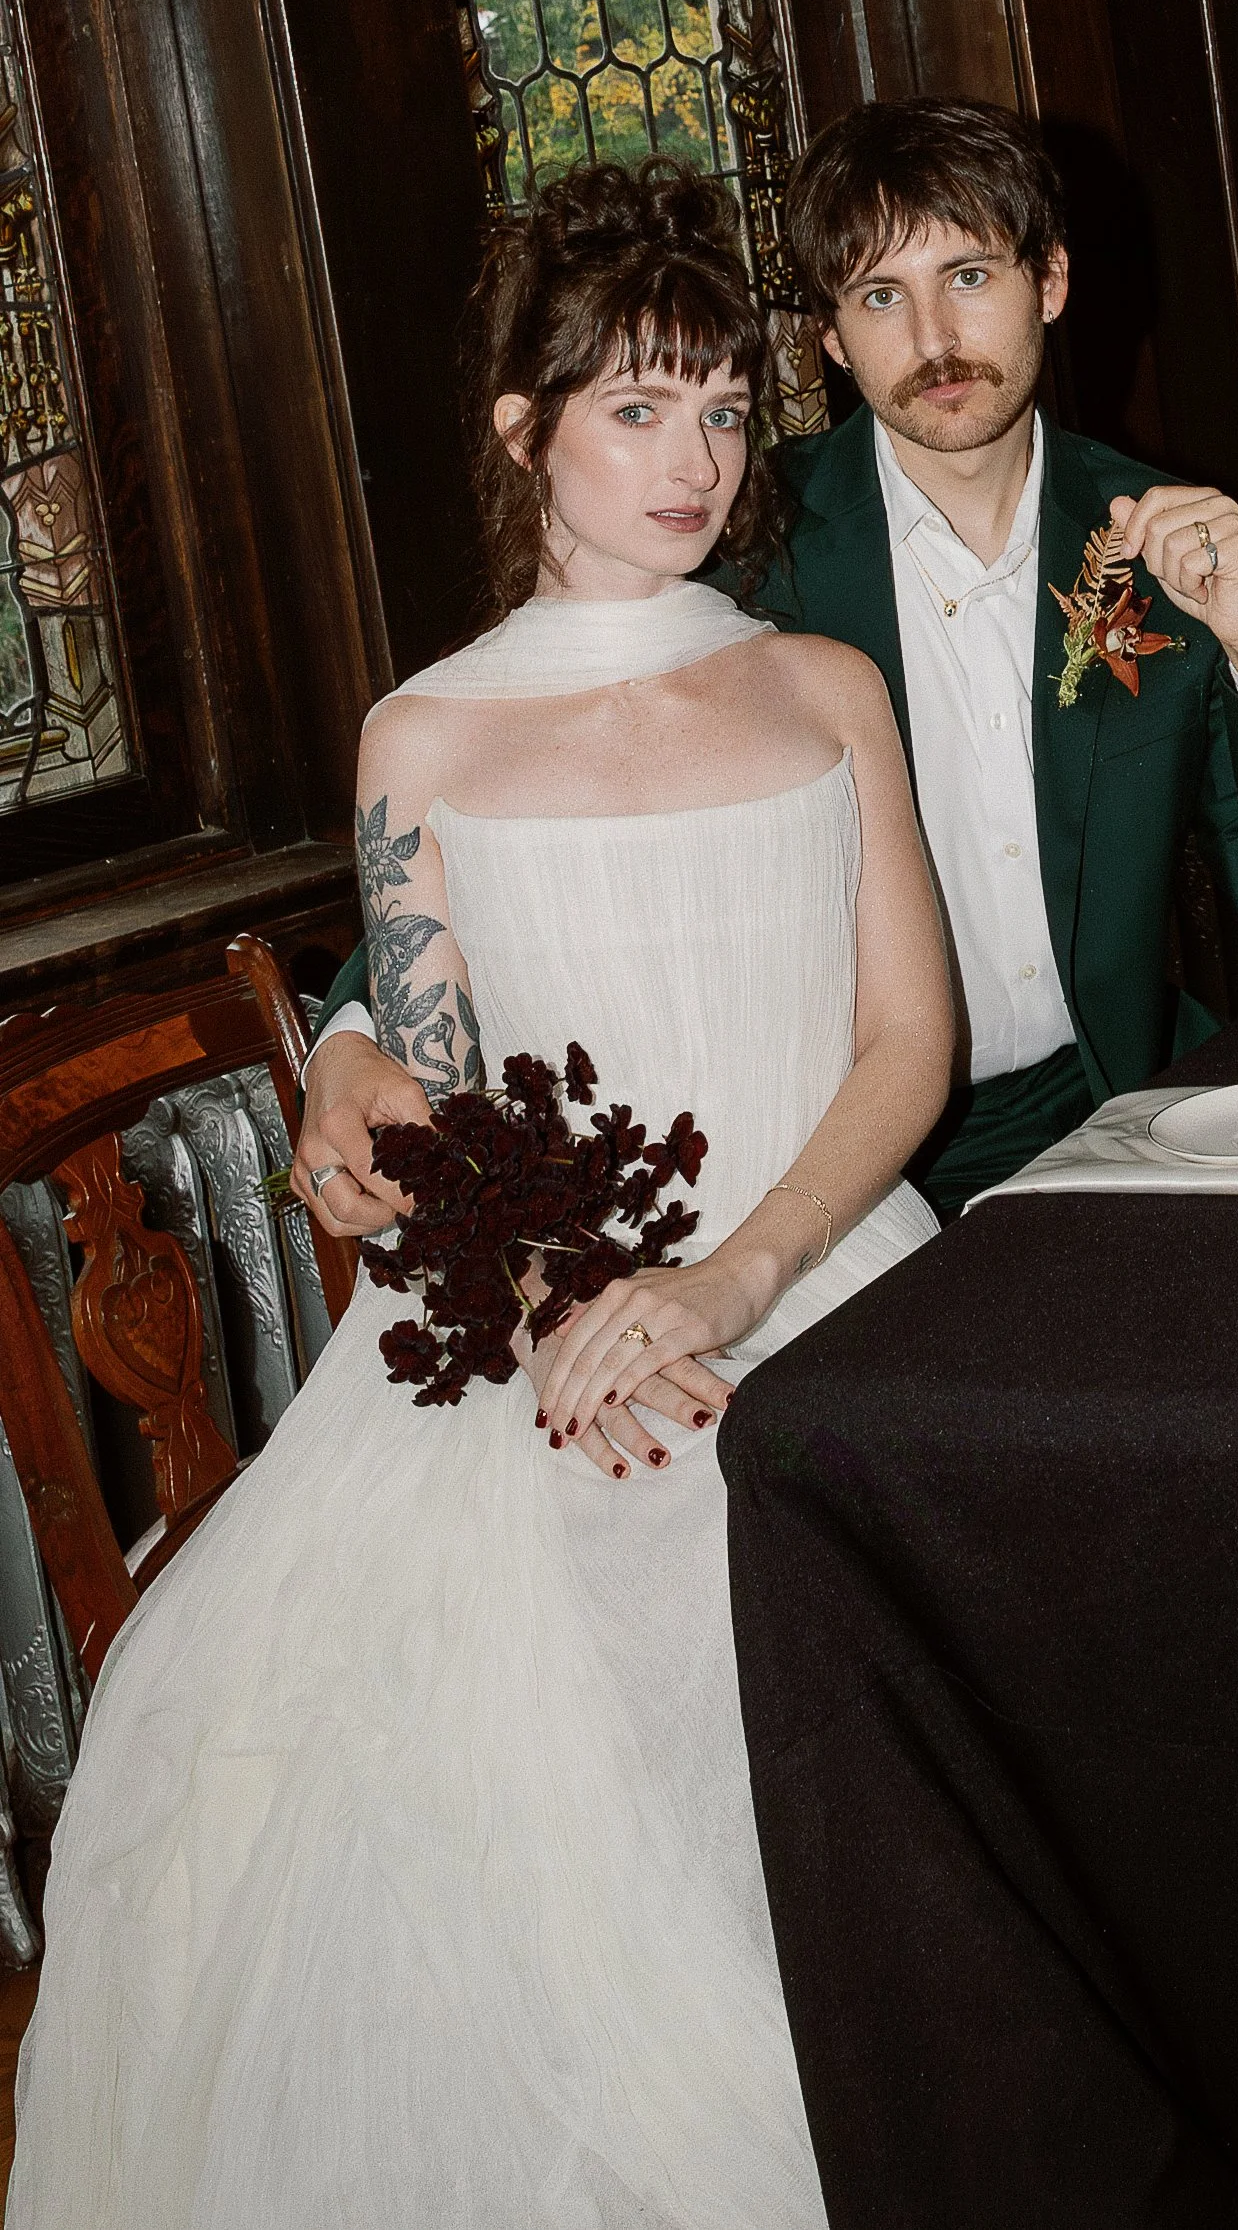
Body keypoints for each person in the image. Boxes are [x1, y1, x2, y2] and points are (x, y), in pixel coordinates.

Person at [8, 162, 952, 2228]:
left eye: (720, 407)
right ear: (523, 428)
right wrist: (557, 1308)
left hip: (822, 1259)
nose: (694, 456)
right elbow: (425, 1089)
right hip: (536, 1292)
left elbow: (907, 1046)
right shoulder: (419, 734)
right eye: (635, 407)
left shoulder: (821, 690)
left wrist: (732, 1280)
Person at [299, 101, 1238, 1223]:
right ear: (829, 336)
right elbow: (510, 771)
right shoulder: (729, 537)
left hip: (1126, 1113)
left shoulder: (1171, 551)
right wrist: (345, 1036)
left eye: (968, 275)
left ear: (1051, 281)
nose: (933, 339)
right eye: (881, 295)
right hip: (847, 1162)